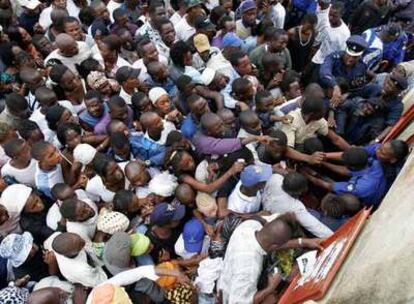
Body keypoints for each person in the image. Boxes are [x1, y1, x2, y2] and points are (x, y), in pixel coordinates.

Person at [218, 213, 322, 304]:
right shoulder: (250, 267)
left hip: (235, 278)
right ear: (273, 247)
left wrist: (303, 242)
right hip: (232, 296)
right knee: (272, 299)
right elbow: (237, 302)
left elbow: (272, 240)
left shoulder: (250, 225)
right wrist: (270, 288)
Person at [303, 147, 387, 208]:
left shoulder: (356, 187)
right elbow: (347, 172)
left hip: (370, 203)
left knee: (334, 195)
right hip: (377, 190)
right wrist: (324, 163)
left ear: (352, 167)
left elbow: (328, 185)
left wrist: (307, 176)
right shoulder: (375, 164)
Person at [263, 171, 333, 237]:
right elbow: (316, 227)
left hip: (265, 206)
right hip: (275, 223)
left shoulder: (275, 177)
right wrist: (335, 237)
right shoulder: (295, 207)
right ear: (298, 193)